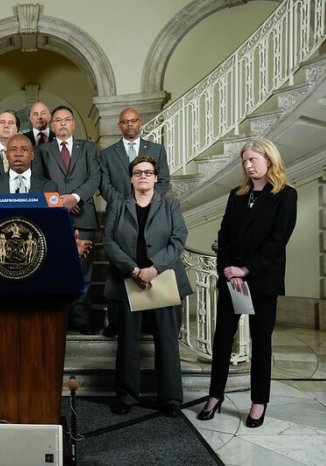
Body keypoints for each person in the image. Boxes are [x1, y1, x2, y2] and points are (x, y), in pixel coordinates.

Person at [198, 138, 297, 428]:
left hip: (262, 280)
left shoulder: (285, 195)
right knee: (222, 339)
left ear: (270, 160)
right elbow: (225, 234)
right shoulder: (237, 194)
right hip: (232, 279)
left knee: (261, 342)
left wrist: (245, 269)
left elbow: (277, 241)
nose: (248, 165)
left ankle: (258, 402)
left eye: (253, 159)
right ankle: (215, 396)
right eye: (245, 161)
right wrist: (226, 269)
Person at [104, 156, 191, 418]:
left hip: (162, 279)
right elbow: (109, 241)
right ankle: (127, 396)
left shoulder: (171, 205)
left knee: (167, 341)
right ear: (131, 178)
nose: (143, 176)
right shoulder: (119, 205)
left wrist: (153, 268)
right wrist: (132, 269)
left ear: (156, 177)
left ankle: (170, 399)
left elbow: (178, 239)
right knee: (128, 342)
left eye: (148, 172)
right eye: (138, 172)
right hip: (129, 281)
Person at [100, 107, 172, 338]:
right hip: (119, 214)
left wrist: (146, 200)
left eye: (133, 121)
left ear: (140, 123)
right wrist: (123, 203)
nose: (129, 125)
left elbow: (164, 180)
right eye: (124, 122)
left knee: (147, 260)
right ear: (119, 126)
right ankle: (115, 322)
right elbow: (105, 184)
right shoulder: (108, 154)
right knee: (119, 266)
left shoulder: (157, 150)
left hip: (150, 213)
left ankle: (149, 321)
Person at [38, 105, 101, 334]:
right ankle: (58, 320)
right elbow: (40, 180)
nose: (63, 123)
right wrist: (59, 201)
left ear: (73, 124)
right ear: (52, 125)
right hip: (53, 218)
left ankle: (81, 320)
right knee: (54, 268)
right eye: (58, 120)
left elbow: (95, 177)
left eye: (67, 119)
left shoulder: (89, 149)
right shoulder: (43, 151)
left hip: (83, 216)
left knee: (83, 270)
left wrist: (75, 198)